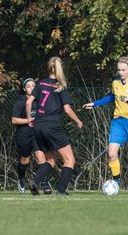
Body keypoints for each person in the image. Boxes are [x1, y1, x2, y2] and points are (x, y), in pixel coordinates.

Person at [83, 55, 128, 194]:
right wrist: (94, 104)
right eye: (119, 70)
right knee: (111, 154)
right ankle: (116, 183)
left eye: (123, 70)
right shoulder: (115, 83)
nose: (121, 72)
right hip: (118, 121)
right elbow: (112, 97)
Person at [26, 56, 83, 196]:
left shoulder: (40, 84)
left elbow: (28, 103)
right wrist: (78, 121)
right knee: (69, 159)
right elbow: (67, 110)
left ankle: (35, 181)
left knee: (50, 159)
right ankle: (61, 190)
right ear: (60, 67)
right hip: (52, 126)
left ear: (48, 67)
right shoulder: (60, 86)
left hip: (38, 125)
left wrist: (29, 119)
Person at [12, 78, 54, 194]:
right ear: (24, 89)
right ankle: (21, 179)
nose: (31, 88)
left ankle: (45, 184)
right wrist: (28, 120)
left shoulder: (40, 101)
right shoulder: (20, 102)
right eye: (28, 86)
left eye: (33, 86)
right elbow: (14, 120)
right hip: (24, 135)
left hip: (37, 134)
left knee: (42, 159)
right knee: (25, 160)